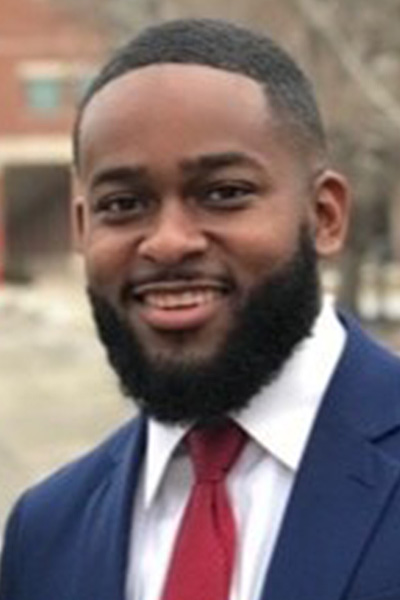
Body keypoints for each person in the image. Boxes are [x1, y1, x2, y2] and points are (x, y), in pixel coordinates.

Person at [1, 17, 400, 600]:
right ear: (83, 228)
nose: (167, 242)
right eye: (124, 203)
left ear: (325, 215)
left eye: (224, 193)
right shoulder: (45, 534)